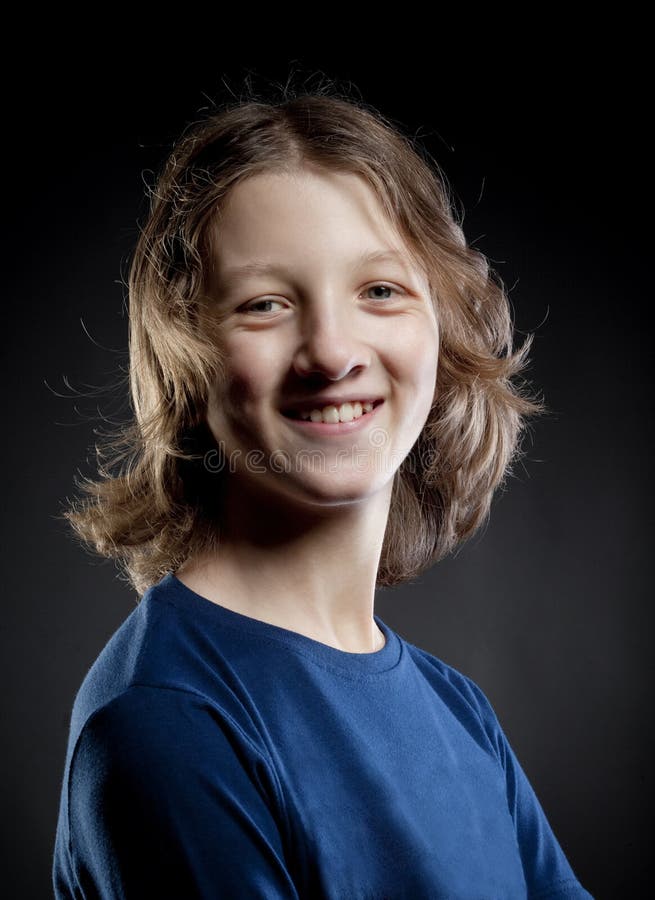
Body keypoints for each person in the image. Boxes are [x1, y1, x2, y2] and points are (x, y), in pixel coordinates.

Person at [52, 83, 594, 898]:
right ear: (186, 360)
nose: (332, 351)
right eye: (265, 304)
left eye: (379, 290)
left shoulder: (456, 712)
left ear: (440, 328)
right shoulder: (167, 718)